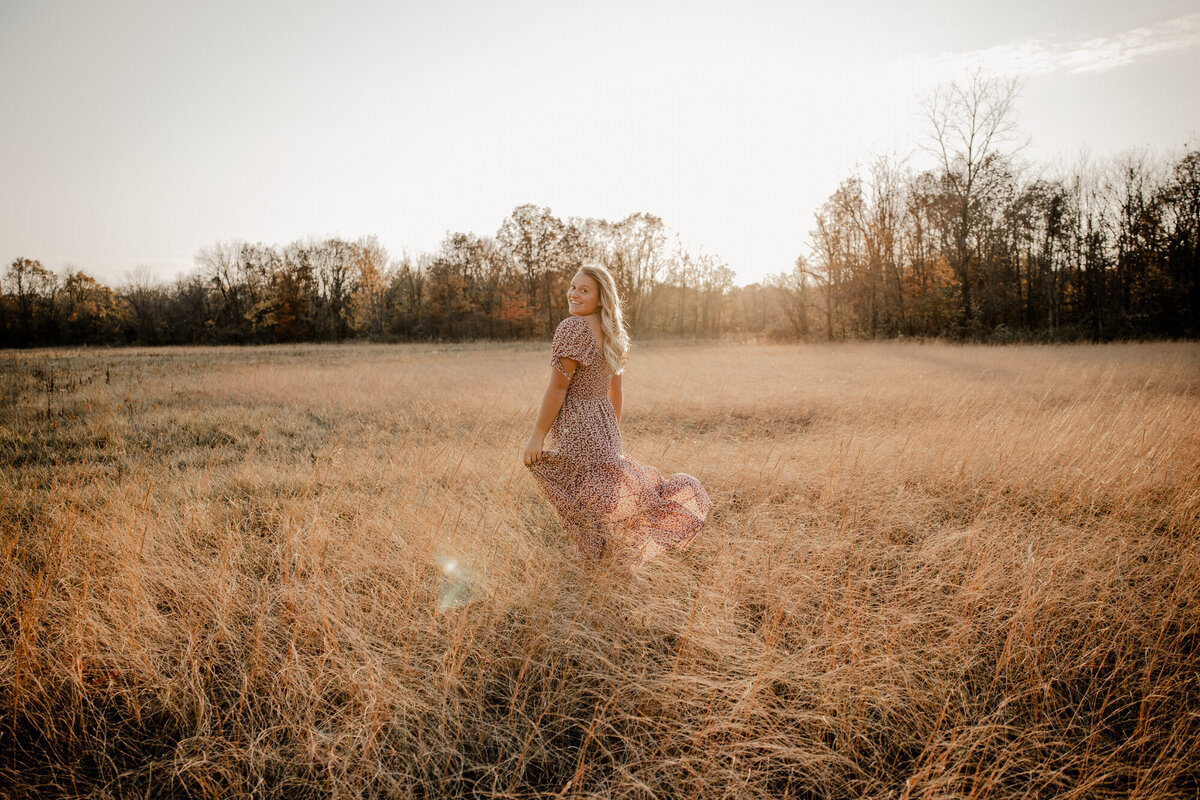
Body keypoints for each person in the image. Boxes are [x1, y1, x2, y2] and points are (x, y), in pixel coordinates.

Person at [522, 264, 712, 585]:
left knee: (582, 509)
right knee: (602, 506)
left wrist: (537, 437)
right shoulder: (614, 333)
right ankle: (613, 574)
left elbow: (558, 388)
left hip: (578, 429)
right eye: (572, 287)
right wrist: (611, 431)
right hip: (605, 428)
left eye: (584, 290)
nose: (574, 294)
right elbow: (616, 391)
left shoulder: (573, 329)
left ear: (600, 298)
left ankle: (607, 575)